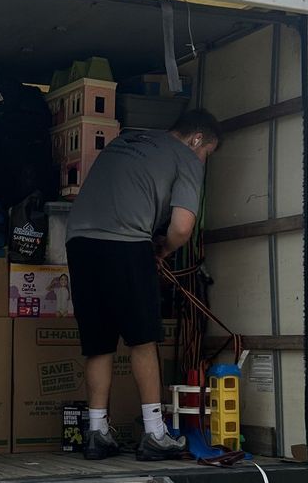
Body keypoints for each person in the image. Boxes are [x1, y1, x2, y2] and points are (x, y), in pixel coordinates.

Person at [65, 108, 222, 460]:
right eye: (207, 153)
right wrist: (163, 249)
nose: (203, 160)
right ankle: (154, 433)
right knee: (142, 339)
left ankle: (96, 432)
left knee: (98, 341)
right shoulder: (185, 157)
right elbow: (182, 227)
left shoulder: (127, 141)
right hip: (125, 242)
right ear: (197, 139)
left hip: (79, 240)